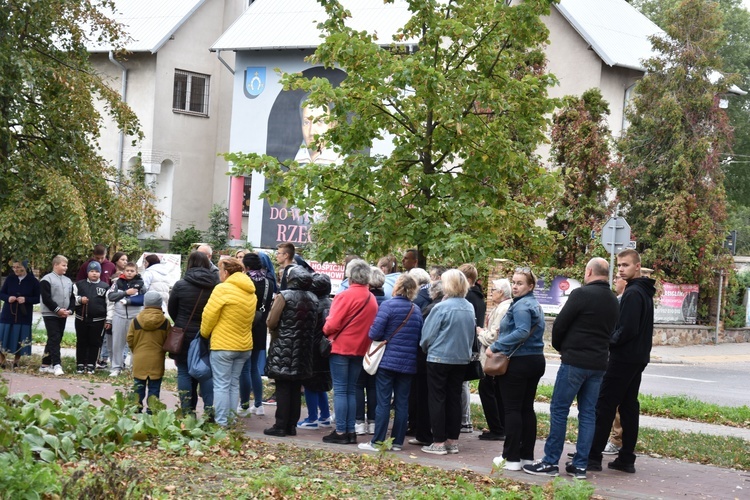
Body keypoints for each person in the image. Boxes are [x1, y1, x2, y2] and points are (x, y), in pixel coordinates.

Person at [523, 258, 619, 480]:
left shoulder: (581, 295)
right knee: (588, 414)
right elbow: (613, 330)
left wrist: (562, 348)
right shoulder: (613, 299)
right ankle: (580, 465)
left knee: (559, 410)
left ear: (589, 272)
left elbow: (560, 324)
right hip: (598, 364)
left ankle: (550, 462)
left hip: (575, 361)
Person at [588, 249, 656, 474]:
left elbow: (626, 329)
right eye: (619, 266)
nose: (621, 269)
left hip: (624, 358)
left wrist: (608, 341)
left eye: (625, 265)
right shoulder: (643, 291)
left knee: (605, 405)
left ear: (638, 266)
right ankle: (626, 458)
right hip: (637, 357)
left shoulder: (634, 293)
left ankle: (592, 457)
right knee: (628, 406)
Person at [487, 266, 546, 471]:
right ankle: (526, 456)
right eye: (513, 282)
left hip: (519, 362)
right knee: (526, 409)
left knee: (512, 409)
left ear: (530, 286)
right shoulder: (534, 305)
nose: (515, 286)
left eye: (520, 283)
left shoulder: (521, 306)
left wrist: (495, 346)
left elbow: (521, 331)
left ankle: (510, 458)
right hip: (535, 359)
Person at [358, 274, 423, 453]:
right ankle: (397, 442)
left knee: (383, 402)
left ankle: (378, 441)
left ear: (397, 287)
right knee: (402, 403)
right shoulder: (415, 310)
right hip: (408, 363)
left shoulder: (388, 305)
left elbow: (375, 333)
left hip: (387, 362)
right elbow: (419, 337)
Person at [322, 259, 379, 444]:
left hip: (341, 347)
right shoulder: (371, 299)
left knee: (340, 390)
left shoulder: (345, 295)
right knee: (351, 390)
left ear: (351, 276)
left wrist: (324, 329)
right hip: (360, 347)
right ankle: (350, 430)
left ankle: (341, 431)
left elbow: (332, 324)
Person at [419, 269, 475, 455]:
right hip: (460, 359)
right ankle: (453, 440)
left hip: (439, 357)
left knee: (437, 399)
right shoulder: (469, 306)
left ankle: (439, 441)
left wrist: (426, 348)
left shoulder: (441, 308)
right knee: (454, 399)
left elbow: (427, 336)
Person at [200, 258, 256, 427]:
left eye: (220, 270)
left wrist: (204, 333)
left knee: (221, 385)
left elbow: (209, 316)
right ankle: (231, 420)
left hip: (223, 344)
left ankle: (221, 422)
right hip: (244, 345)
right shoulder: (250, 292)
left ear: (226, 272)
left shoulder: (222, 289)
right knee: (233, 384)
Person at [264, 266, 318, 437]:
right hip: (304, 348)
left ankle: (280, 425)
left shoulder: (284, 296)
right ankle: (291, 425)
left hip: (284, 346)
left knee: (283, 387)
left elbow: (272, 321)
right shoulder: (313, 298)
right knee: (295, 387)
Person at [167, 251, 218, 416]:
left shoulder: (180, 284)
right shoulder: (215, 285)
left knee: (183, 371)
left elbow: (171, 309)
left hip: (184, 334)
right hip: (207, 334)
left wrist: (181, 321)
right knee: (206, 372)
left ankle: (187, 411)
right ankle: (209, 410)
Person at [476, 278, 513, 441]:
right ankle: (499, 427)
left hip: (494, 357)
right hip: (496, 355)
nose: (491, 293)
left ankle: (497, 428)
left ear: (501, 292)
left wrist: (480, 333)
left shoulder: (503, 309)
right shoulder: (502, 307)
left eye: (493, 290)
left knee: (487, 389)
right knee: (495, 391)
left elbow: (493, 336)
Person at [407, 280, 443, 447]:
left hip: (426, 358)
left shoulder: (431, 309)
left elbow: (425, 335)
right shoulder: (463, 307)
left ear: (433, 293)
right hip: (447, 358)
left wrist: (423, 347)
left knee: (423, 397)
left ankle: (424, 434)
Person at [238, 253, 274, 417]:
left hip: (246, 325)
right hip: (261, 327)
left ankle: (244, 404)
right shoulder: (269, 283)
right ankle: (258, 404)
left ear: (247, 267)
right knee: (254, 368)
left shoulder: (246, 282)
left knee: (244, 368)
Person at [298, 273, 334, 429]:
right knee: (321, 383)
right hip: (326, 348)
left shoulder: (312, 304)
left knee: (310, 383)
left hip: (312, 348)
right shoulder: (331, 303)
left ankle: (312, 418)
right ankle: (325, 415)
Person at [127, 291, 171, 413]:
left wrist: (135, 350)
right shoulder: (165, 322)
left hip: (139, 358)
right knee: (154, 388)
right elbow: (168, 340)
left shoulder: (136, 321)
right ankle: (152, 411)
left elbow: (130, 338)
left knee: (138, 387)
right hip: (157, 358)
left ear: (145, 303)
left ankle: (136, 409)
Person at [458, 263, 486, 434]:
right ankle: (465, 419)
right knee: (464, 382)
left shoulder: (469, 298)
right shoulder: (479, 297)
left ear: (468, 280)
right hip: (473, 342)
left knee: (462, 382)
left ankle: (465, 420)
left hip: (467, 342)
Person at [106, 261, 145, 377]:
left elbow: (145, 298)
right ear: (123, 271)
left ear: (136, 272)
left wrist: (130, 300)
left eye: (132, 271)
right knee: (117, 343)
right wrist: (125, 293)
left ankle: (134, 368)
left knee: (136, 343)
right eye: (127, 270)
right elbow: (111, 296)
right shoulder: (117, 282)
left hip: (135, 316)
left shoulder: (141, 283)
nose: (129, 273)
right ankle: (116, 367)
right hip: (119, 315)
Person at [0, 260, 41, 369]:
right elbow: (1, 293)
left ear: (25, 267)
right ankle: (2, 360)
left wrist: (26, 299)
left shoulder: (33, 281)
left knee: (20, 337)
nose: (16, 270)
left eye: (18, 267)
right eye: (14, 267)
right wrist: (8, 298)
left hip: (24, 314)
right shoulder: (10, 279)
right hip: (8, 312)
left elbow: (38, 298)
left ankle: (16, 361)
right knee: (4, 336)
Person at [604, 275, 629, 456]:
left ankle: (617, 439)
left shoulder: (624, 301)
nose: (615, 280)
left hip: (618, 356)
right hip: (613, 355)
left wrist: (609, 340)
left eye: (618, 278)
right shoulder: (618, 300)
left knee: (617, 401)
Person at [72, 261, 110, 374]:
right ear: (87, 272)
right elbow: (72, 299)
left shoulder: (105, 287)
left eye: (97, 271)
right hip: (81, 318)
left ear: (100, 273)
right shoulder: (79, 284)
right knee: (81, 341)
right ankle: (80, 363)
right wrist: (80, 300)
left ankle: (91, 364)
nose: (94, 274)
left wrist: (108, 319)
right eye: (92, 271)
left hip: (98, 320)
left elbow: (109, 304)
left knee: (95, 342)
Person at [39, 256, 73, 376]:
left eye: (66, 265)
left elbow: (72, 297)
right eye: (63, 265)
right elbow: (46, 298)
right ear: (55, 265)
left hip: (63, 314)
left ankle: (45, 364)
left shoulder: (68, 280)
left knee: (56, 337)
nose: (66, 268)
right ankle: (57, 364)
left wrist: (70, 310)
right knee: (54, 337)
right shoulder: (46, 279)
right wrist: (57, 310)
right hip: (50, 313)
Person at [98, 251, 129, 368]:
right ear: (116, 260)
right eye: (122, 259)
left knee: (123, 337)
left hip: (123, 312)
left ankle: (121, 360)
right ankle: (104, 358)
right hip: (110, 309)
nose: (125, 262)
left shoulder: (127, 278)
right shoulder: (110, 271)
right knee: (108, 336)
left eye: (126, 260)